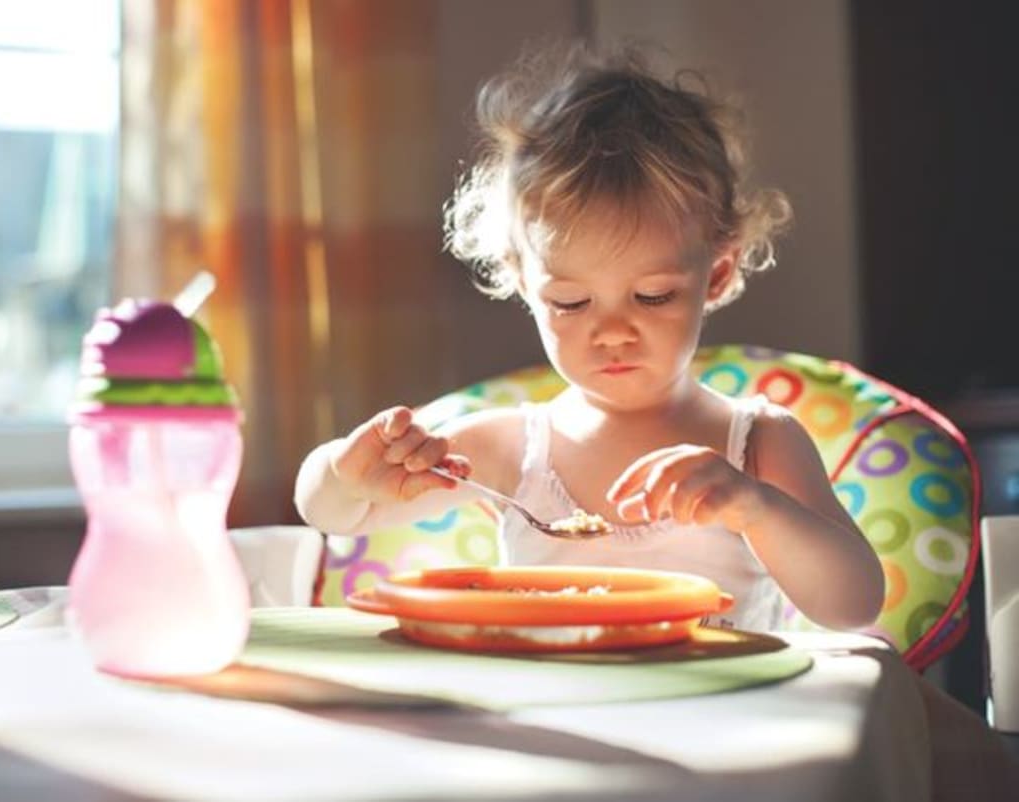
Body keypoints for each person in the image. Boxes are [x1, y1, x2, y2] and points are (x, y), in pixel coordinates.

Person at [294, 43, 884, 633]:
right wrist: (344, 474)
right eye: (571, 303)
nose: (612, 332)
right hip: (550, 691)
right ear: (524, 284)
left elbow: (853, 605)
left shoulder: (757, 443)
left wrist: (755, 508)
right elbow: (337, 516)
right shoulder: (509, 449)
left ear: (717, 276)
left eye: (652, 296)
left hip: (720, 692)